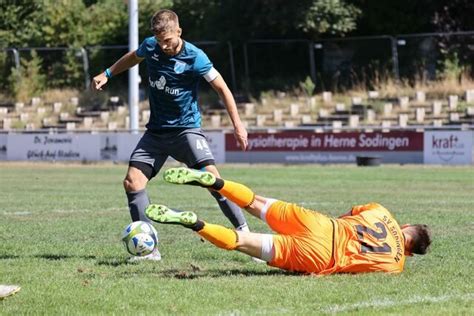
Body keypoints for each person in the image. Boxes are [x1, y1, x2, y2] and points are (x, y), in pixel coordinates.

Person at [92, 9, 250, 260]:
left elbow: (222, 88)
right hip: (156, 132)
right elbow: (134, 57)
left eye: (169, 40)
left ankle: (245, 234)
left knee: (213, 182)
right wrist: (108, 73)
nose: (164, 46)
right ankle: (149, 250)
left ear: (179, 31)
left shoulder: (196, 57)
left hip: (186, 130)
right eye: (160, 41)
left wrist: (238, 125)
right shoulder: (151, 46)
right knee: (132, 182)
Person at [145, 167, 432, 274]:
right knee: (242, 242)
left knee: (255, 202)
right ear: (409, 249)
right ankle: (196, 223)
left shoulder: (382, 212)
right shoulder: (396, 264)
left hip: (322, 225)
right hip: (320, 256)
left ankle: (216, 182)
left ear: (406, 226)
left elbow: (349, 215)